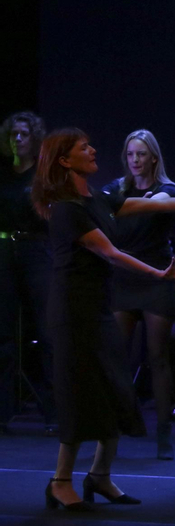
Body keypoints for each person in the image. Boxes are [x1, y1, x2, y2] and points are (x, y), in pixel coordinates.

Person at [33, 129, 175, 511]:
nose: (94, 150)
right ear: (64, 161)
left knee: (117, 388)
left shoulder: (97, 198)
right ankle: (60, 481)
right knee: (80, 395)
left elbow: (153, 206)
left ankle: (100, 476)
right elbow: (109, 252)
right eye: (83, 148)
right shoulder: (66, 208)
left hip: (98, 306)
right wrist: (159, 273)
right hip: (73, 312)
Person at [105, 130, 175, 460]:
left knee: (158, 358)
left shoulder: (168, 189)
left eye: (141, 154)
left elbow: (157, 206)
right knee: (116, 357)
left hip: (156, 278)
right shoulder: (116, 188)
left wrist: (114, 205)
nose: (135, 160)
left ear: (153, 157)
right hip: (122, 279)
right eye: (130, 155)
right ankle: (118, 425)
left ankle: (164, 434)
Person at [0, 109, 53, 428]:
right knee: (3, 334)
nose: (17, 139)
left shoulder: (43, 176)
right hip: (5, 250)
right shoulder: (3, 174)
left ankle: (54, 413)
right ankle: (3, 412)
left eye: (23, 134)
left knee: (47, 332)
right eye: (13, 134)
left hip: (36, 250)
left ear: (34, 139)